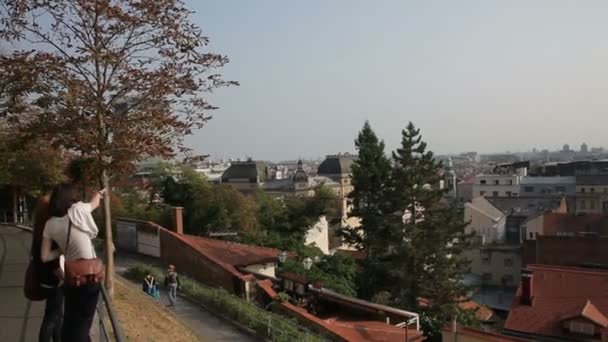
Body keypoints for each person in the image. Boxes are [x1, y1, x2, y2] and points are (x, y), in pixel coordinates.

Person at [41, 184, 106, 342]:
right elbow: (95, 203)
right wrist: (99, 193)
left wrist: (63, 249)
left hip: (72, 278)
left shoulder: (50, 224)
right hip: (92, 276)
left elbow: (44, 257)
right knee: (84, 324)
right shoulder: (79, 210)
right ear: (71, 198)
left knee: (71, 321)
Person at [31, 195, 64, 342]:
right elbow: (54, 264)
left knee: (55, 315)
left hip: (42, 279)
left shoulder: (38, 230)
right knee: (51, 318)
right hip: (53, 281)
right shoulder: (50, 231)